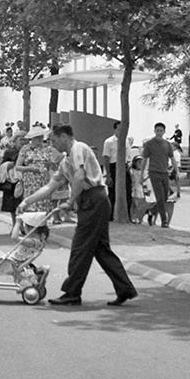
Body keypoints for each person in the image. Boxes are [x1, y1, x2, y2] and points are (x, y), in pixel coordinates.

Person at [19, 123, 136, 307]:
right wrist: (27, 202)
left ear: (64, 137)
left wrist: (70, 201)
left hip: (93, 199)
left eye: (54, 140)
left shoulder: (78, 149)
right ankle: (125, 289)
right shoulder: (66, 162)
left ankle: (72, 292)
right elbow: (50, 186)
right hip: (90, 201)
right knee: (101, 249)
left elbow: (80, 177)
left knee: (80, 247)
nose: (52, 145)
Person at [16, 125, 63, 212]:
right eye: (37, 137)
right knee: (31, 204)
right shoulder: (26, 149)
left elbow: (53, 166)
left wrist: (52, 164)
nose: (40, 139)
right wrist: (30, 168)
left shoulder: (46, 149)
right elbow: (17, 166)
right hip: (30, 182)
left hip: (43, 180)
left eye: (41, 137)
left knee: (44, 203)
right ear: (32, 138)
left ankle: (42, 222)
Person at [141, 122, 175, 228]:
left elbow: (172, 158)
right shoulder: (149, 144)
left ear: (164, 131)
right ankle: (164, 220)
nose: (159, 132)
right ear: (154, 131)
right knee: (159, 196)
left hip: (164, 172)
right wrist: (142, 174)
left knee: (165, 196)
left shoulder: (167, 144)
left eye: (161, 130)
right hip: (154, 172)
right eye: (157, 130)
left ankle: (152, 210)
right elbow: (144, 159)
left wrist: (177, 171)